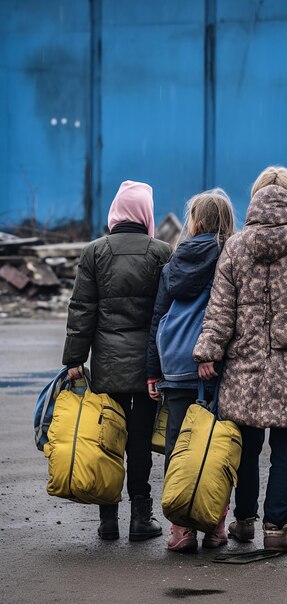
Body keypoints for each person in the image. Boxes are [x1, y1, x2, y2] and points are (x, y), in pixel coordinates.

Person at [194, 166, 287, 552]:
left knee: (245, 448)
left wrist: (209, 350)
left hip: (243, 368)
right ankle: (275, 530)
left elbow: (221, 308)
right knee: (285, 453)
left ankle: (244, 522)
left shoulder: (236, 246)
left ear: (256, 197)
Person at [62, 180, 171, 541]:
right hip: (146, 367)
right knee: (139, 440)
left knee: (106, 438)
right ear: (145, 213)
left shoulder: (94, 252)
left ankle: (107, 520)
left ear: (116, 212)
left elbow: (82, 309)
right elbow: (167, 312)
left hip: (107, 366)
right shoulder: (161, 252)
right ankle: (141, 517)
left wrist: (75, 358)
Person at [147, 188, 235, 553]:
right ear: (227, 223)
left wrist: (153, 370)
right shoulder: (230, 259)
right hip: (214, 365)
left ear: (194, 223)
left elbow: (157, 318)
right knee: (216, 443)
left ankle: (180, 529)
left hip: (175, 365)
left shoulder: (174, 262)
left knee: (177, 446)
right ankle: (214, 525)